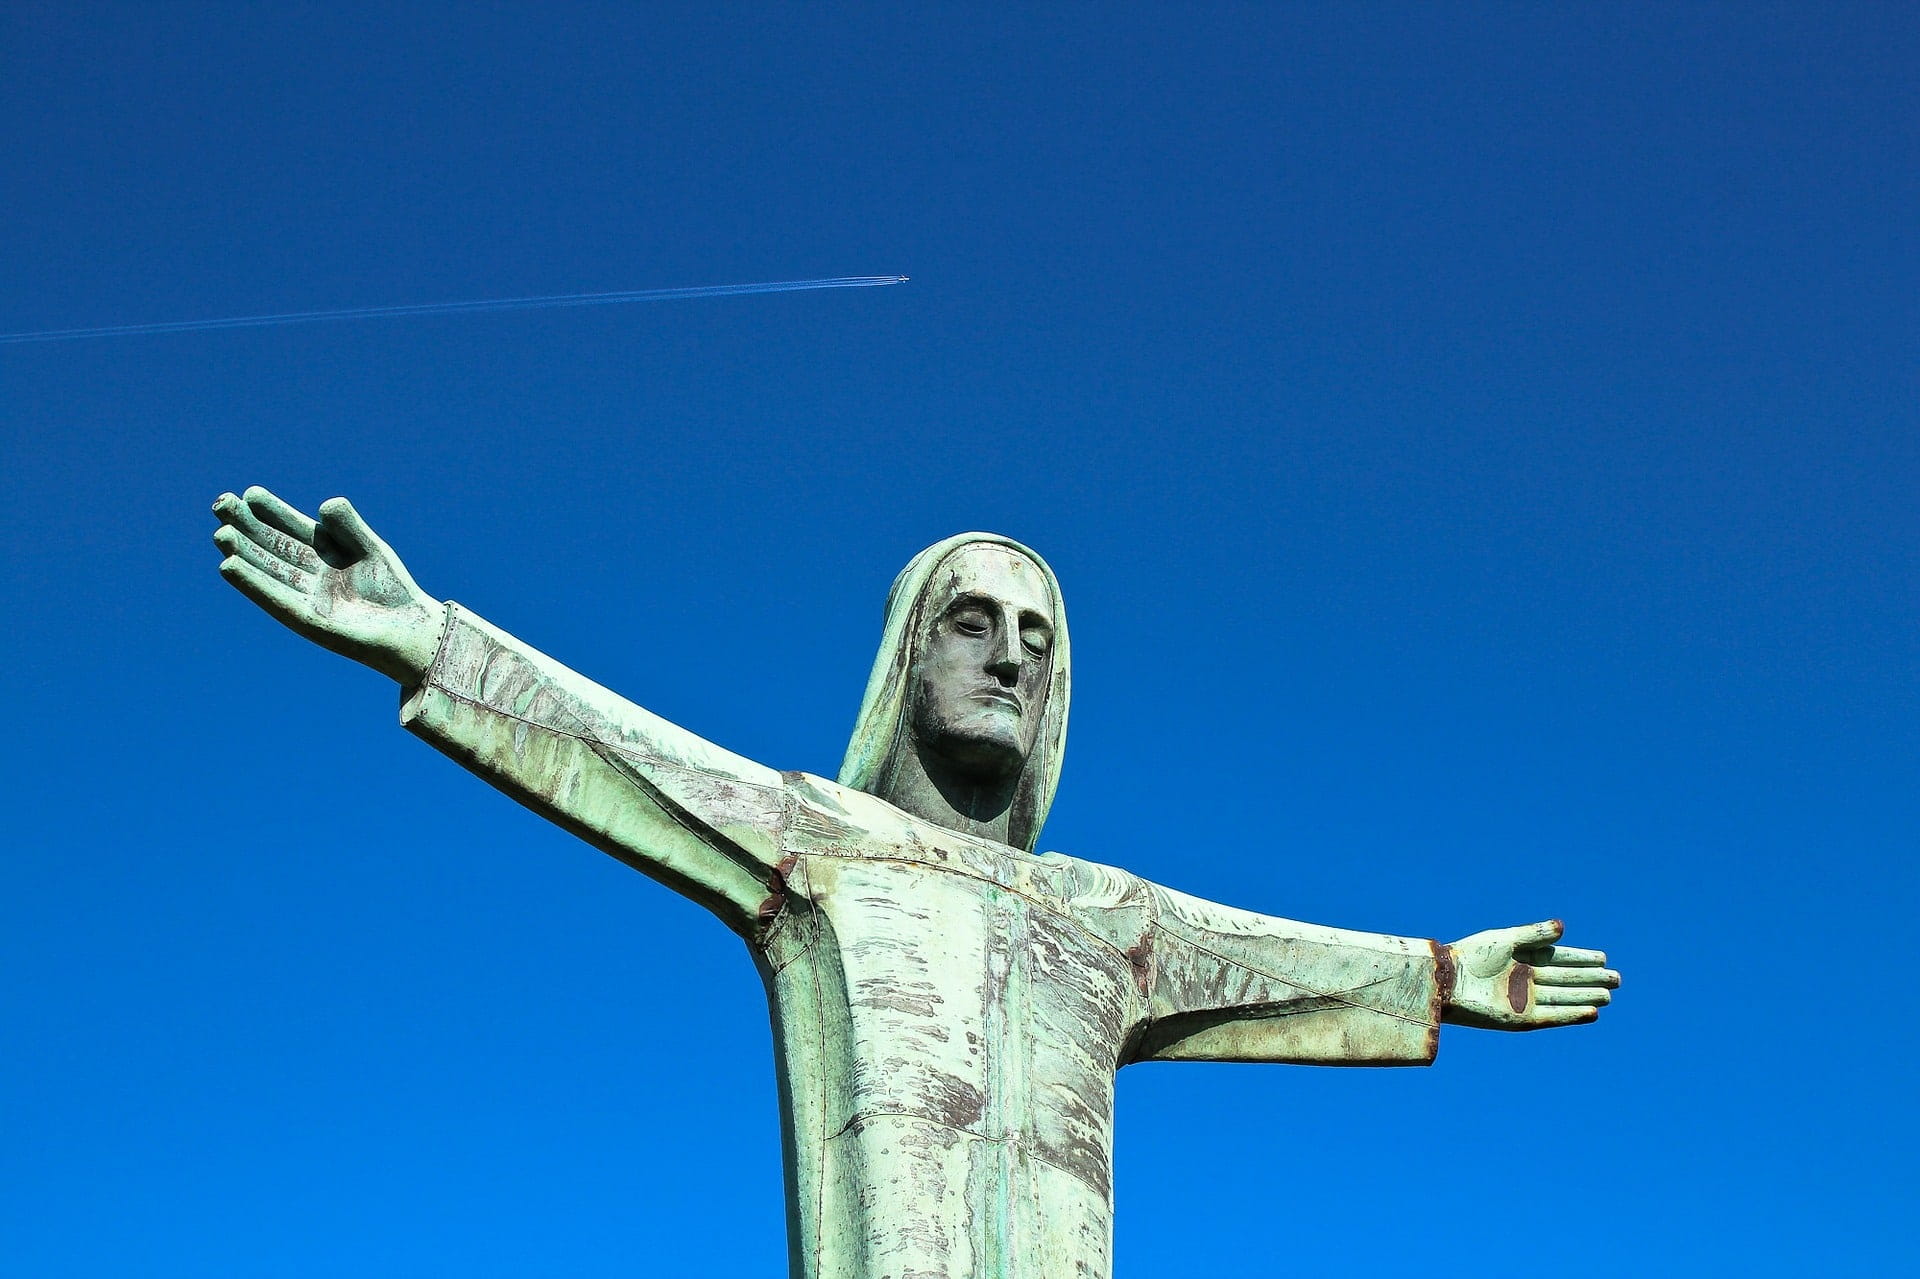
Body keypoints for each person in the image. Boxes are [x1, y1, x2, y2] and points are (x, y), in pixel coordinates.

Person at [212, 486, 1619, 1279]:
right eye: (973, 622)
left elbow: (1286, 963)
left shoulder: (1111, 922)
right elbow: (622, 755)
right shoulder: (817, 843)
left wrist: (1443, 976)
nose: (1010, 657)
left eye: (1037, 639)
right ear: (909, 658)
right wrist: (431, 642)